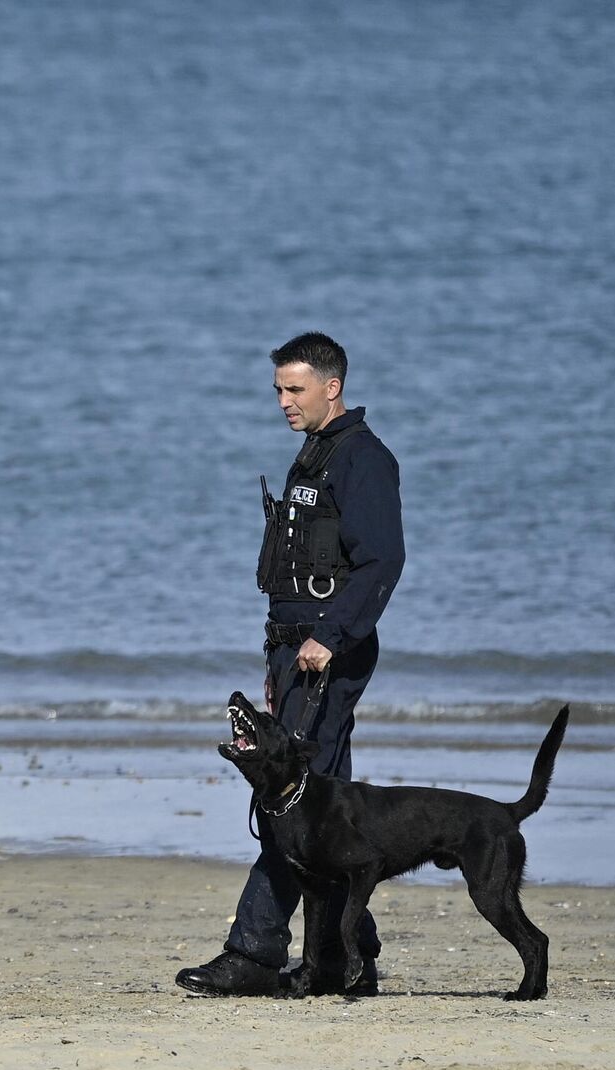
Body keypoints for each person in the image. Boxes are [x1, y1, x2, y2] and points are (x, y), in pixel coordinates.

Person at [176, 332, 406, 998]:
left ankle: (254, 952)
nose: (282, 401)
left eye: (294, 389)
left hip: (324, 652)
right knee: (325, 813)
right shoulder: (316, 455)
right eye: (278, 389)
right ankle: (349, 959)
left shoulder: (363, 459)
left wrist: (331, 636)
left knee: (291, 804)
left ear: (331, 387)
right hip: (296, 650)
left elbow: (382, 561)